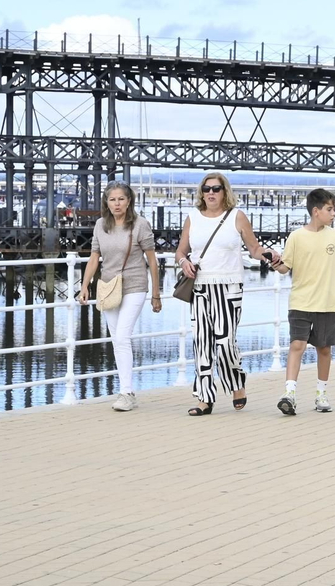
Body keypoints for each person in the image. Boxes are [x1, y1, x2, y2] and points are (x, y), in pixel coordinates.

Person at [173, 173, 276, 416]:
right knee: (202, 343)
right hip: (200, 286)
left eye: (216, 189)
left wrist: (268, 255)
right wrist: (182, 262)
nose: (210, 193)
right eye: (206, 189)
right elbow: (181, 249)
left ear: (224, 191)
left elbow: (253, 248)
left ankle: (236, 383)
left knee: (225, 343)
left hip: (229, 287)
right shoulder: (193, 217)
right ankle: (204, 398)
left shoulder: (236, 216)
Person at [78, 182, 162, 411]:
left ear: (129, 201)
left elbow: (152, 260)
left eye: (121, 199)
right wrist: (84, 286)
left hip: (135, 284)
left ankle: (126, 393)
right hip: (108, 287)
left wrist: (156, 293)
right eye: (112, 199)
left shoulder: (140, 225)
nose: (117, 204)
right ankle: (126, 390)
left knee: (123, 336)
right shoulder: (100, 226)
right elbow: (94, 257)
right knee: (117, 339)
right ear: (106, 202)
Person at [275, 189, 335, 414]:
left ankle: (321, 394)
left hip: (328, 301)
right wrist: (274, 262)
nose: (334, 214)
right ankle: (289, 393)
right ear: (316, 211)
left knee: (324, 349)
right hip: (300, 301)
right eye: (330, 209)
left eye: (334, 209)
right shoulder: (296, 236)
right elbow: (284, 267)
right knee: (296, 345)